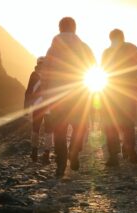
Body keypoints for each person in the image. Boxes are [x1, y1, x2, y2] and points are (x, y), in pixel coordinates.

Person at [41, 17, 96, 178]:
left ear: (59, 28)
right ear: (75, 28)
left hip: (58, 96)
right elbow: (93, 68)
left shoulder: (52, 49)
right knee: (80, 127)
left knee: (59, 130)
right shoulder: (85, 47)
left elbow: (45, 74)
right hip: (79, 94)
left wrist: (46, 95)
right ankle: (74, 151)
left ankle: (61, 164)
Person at [101, 29, 137, 167]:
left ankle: (114, 156)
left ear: (111, 38)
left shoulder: (107, 52)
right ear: (123, 37)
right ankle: (130, 149)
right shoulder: (133, 49)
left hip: (111, 93)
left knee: (110, 124)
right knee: (127, 123)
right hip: (128, 93)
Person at [24, 56, 52, 164]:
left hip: (38, 106)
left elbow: (28, 91)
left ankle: (35, 152)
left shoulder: (34, 75)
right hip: (49, 107)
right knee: (48, 131)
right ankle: (46, 154)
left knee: (36, 129)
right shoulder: (50, 75)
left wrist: (26, 108)